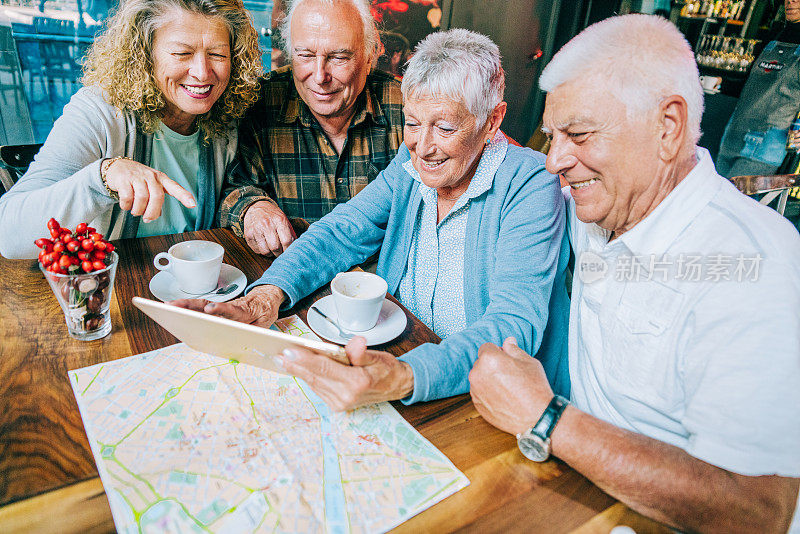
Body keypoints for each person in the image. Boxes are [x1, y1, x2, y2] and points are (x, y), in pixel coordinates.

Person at [469, 14, 800, 533]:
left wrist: (546, 417)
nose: (554, 160)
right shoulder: (604, 203)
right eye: (553, 136)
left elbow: (756, 512)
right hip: (581, 498)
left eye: (578, 134)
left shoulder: (755, 265)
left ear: (667, 127)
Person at [177, 28, 571, 411]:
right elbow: (341, 231)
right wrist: (265, 297)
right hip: (402, 359)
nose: (424, 147)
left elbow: (513, 325)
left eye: (446, 127)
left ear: (492, 120)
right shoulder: (410, 164)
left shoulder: (532, 183)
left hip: (485, 398)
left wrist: (404, 375)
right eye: (413, 123)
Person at [0, 0, 261, 260]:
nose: (203, 73)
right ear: (144, 54)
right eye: (182, 53)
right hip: (110, 292)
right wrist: (104, 176)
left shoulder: (226, 120)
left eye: (218, 54)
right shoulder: (99, 113)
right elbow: (8, 234)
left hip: (192, 292)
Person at [217, 0, 404, 257]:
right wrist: (253, 208)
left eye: (338, 57)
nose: (319, 77)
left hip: (379, 285)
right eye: (304, 55)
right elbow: (232, 186)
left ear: (370, 54)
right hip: (291, 280)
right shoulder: (259, 103)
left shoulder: (406, 107)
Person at [717, 0, 800, 179]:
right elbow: (749, 84)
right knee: (711, 201)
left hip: (765, 147)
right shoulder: (775, 37)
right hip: (734, 135)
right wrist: (720, 83)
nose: (790, 1)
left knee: (731, 205)